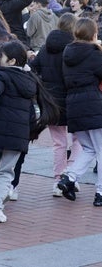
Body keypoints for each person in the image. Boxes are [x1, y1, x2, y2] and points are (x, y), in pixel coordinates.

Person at [0, 40, 58, 223]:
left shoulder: (1, 76)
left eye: (2, 56)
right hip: (17, 134)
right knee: (7, 170)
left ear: (12, 61)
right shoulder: (29, 80)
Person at [30, 13, 82, 197]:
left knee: (59, 143)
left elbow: (33, 67)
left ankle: (58, 180)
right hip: (73, 99)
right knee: (79, 140)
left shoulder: (45, 48)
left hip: (51, 100)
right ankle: (71, 176)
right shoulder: (75, 48)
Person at [58, 18, 102, 206]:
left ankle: (69, 177)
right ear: (93, 34)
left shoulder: (68, 53)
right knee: (100, 149)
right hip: (94, 104)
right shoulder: (94, 54)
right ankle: (100, 192)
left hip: (74, 105)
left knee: (89, 148)